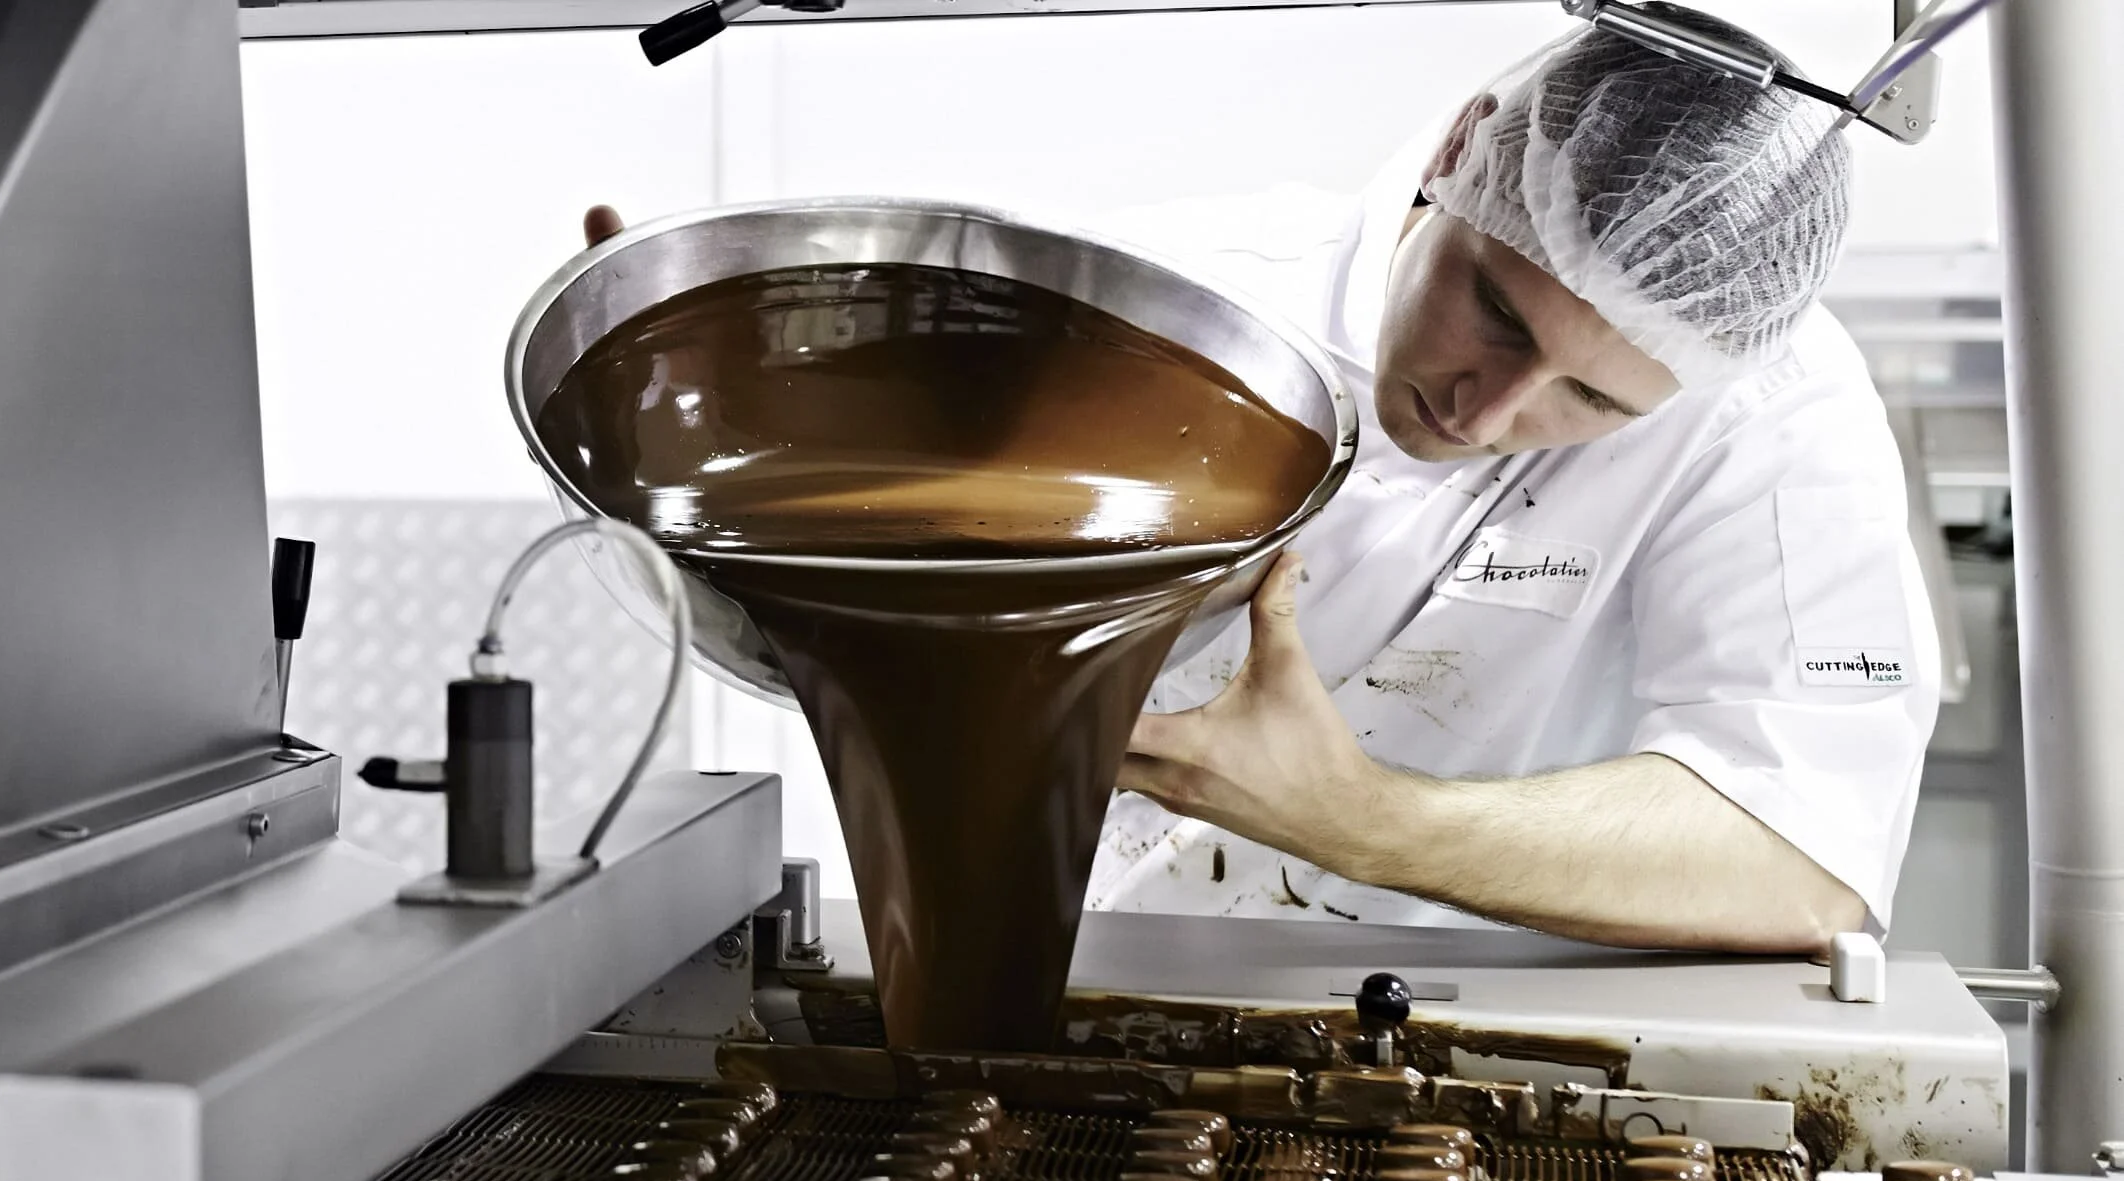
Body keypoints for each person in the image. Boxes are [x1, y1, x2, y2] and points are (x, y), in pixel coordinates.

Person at [585, 5, 1937, 956]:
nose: (1488, 410)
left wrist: (1361, 821)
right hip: (1098, 977)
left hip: (1494, 1043)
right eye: (1500, 316)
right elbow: (851, 621)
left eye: (1592, 399)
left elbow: (1795, 846)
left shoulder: (1767, 412)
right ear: (1461, 151)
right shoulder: (1175, 309)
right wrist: (700, 439)